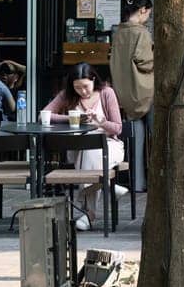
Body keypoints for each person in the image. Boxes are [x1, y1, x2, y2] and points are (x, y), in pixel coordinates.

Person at [40, 63, 124, 231]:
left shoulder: (107, 93)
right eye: (77, 87)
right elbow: (44, 115)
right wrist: (72, 118)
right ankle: (107, 185)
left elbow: (118, 128)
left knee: (91, 152)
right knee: (87, 151)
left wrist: (101, 121)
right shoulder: (68, 95)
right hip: (79, 147)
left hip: (109, 145)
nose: (83, 91)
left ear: (93, 80)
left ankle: (89, 214)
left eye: (85, 86)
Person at [109, 0, 154, 193]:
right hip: (146, 91)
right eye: (148, 14)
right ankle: (156, 181)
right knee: (157, 138)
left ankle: (136, 183)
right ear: (143, 10)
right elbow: (145, 61)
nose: (148, 18)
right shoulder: (141, 32)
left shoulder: (118, 32)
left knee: (135, 141)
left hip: (124, 93)